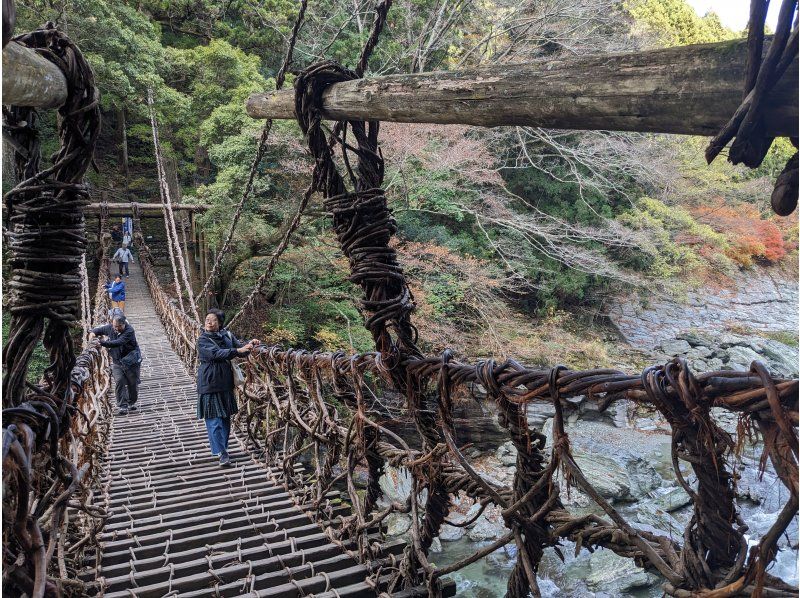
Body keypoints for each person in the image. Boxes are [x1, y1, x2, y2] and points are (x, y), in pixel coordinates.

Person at [197, 308, 260, 467]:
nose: (209, 322)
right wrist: (236, 350)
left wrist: (250, 345)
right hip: (209, 383)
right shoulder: (202, 340)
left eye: (212, 320)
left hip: (225, 383)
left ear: (220, 323)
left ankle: (223, 448)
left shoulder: (227, 335)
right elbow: (215, 354)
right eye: (207, 320)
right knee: (214, 419)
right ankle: (222, 453)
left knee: (225, 418)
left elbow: (240, 351)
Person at [92, 315, 142, 415]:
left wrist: (102, 343)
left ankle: (131, 402)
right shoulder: (110, 327)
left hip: (131, 362)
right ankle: (122, 405)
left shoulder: (129, 331)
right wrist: (92, 335)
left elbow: (119, 342)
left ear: (124, 324)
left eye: (118, 326)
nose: (116, 328)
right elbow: (96, 330)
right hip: (117, 362)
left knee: (133, 383)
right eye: (114, 326)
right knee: (119, 381)